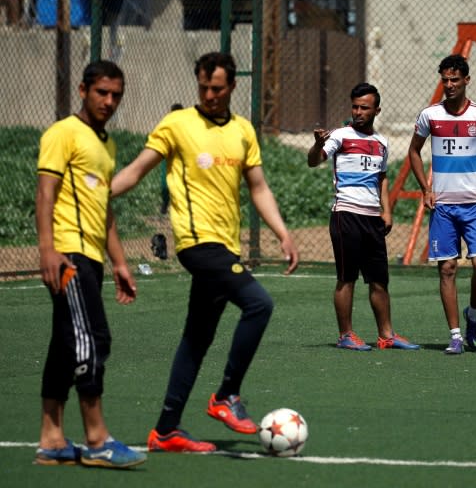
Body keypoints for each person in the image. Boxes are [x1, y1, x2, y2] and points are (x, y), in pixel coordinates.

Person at [111, 52, 299, 452]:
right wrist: (97, 193)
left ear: (231, 86)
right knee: (259, 304)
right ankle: (226, 396)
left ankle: (166, 430)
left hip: (225, 246)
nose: (210, 94)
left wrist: (282, 232)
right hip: (197, 245)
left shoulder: (244, 131)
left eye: (217, 88)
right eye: (204, 87)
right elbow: (137, 168)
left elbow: (259, 187)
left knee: (195, 340)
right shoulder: (178, 125)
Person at [34, 60, 146, 468]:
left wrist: (120, 263)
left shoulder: (106, 144)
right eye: (102, 92)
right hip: (67, 254)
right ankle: (97, 439)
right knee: (91, 339)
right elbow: (45, 193)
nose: (109, 101)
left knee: (66, 344)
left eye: (116, 94)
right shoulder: (63, 133)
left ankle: (51, 440)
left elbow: (104, 212)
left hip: (92, 257)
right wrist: (47, 249)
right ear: (82, 90)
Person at [407, 54, 476, 354]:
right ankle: (455, 336)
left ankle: (473, 315)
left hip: (474, 206)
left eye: (454, 80)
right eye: (445, 80)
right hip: (443, 208)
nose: (449, 85)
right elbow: (414, 151)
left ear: (466, 80)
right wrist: (425, 188)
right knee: (447, 269)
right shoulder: (429, 115)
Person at [308, 83, 419, 351]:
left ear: (376, 110)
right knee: (347, 278)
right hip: (346, 215)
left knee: (379, 280)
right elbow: (314, 161)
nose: (358, 112)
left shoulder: (381, 143)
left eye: (364, 108)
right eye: (355, 107)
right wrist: (316, 145)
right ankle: (346, 335)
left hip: (373, 219)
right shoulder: (340, 136)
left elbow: (381, 178)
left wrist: (387, 211)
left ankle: (387, 335)